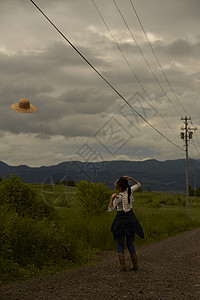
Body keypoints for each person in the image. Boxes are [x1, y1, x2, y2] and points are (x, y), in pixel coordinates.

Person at [108, 176, 144, 271]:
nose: (114, 184)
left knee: (120, 243)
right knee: (130, 242)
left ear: (119, 187)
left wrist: (111, 199)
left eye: (116, 183)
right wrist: (130, 178)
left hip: (120, 220)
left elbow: (110, 209)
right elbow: (138, 184)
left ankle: (122, 266)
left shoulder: (117, 197)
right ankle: (135, 266)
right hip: (130, 218)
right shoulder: (129, 191)